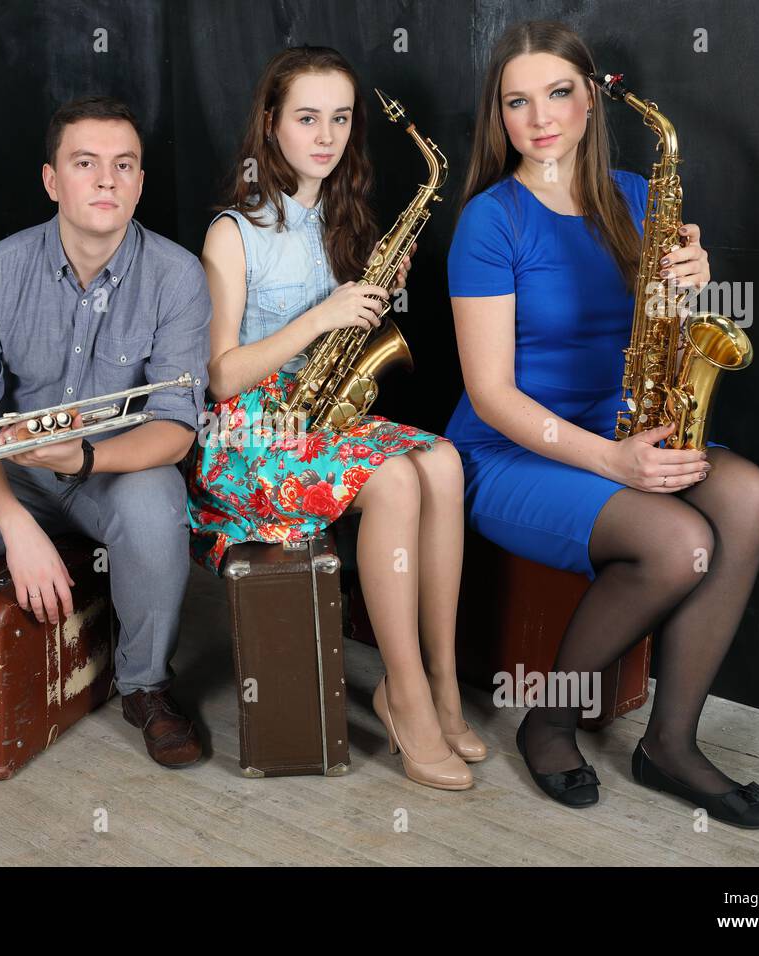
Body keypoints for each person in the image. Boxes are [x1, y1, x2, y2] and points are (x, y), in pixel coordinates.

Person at [447, 20, 759, 826]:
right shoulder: (490, 221)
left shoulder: (636, 197)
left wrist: (693, 281)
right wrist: (613, 463)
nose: (540, 117)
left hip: (623, 422)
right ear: (500, 115)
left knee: (750, 497)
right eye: (516, 101)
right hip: (512, 447)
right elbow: (491, 396)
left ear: (591, 100)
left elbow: (657, 335)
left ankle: (671, 743)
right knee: (679, 543)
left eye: (558, 92)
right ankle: (551, 717)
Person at [0, 96, 211, 768]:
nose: (107, 181)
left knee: (158, 511)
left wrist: (86, 456)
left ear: (141, 181)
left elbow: (176, 432)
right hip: (13, 474)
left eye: (124, 165)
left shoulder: (178, 277)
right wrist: (15, 524)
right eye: (86, 164)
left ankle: (144, 684)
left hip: (112, 466)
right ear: (53, 180)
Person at [187, 46, 485, 791]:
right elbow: (221, 372)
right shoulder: (233, 231)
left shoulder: (339, 219)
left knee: (444, 462)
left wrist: (373, 299)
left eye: (341, 119)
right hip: (249, 433)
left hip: (316, 417)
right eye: (307, 117)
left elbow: (345, 344)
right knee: (390, 480)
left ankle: (443, 683)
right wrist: (324, 313)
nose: (326, 135)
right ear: (271, 123)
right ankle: (405, 694)